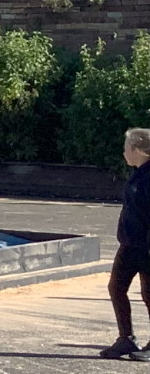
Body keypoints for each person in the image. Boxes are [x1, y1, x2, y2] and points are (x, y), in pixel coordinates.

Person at [106, 128, 150, 361]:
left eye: (126, 148)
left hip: (146, 247)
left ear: (138, 150)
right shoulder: (138, 173)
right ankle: (126, 338)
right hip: (130, 244)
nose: (124, 153)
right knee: (116, 287)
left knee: (149, 294)